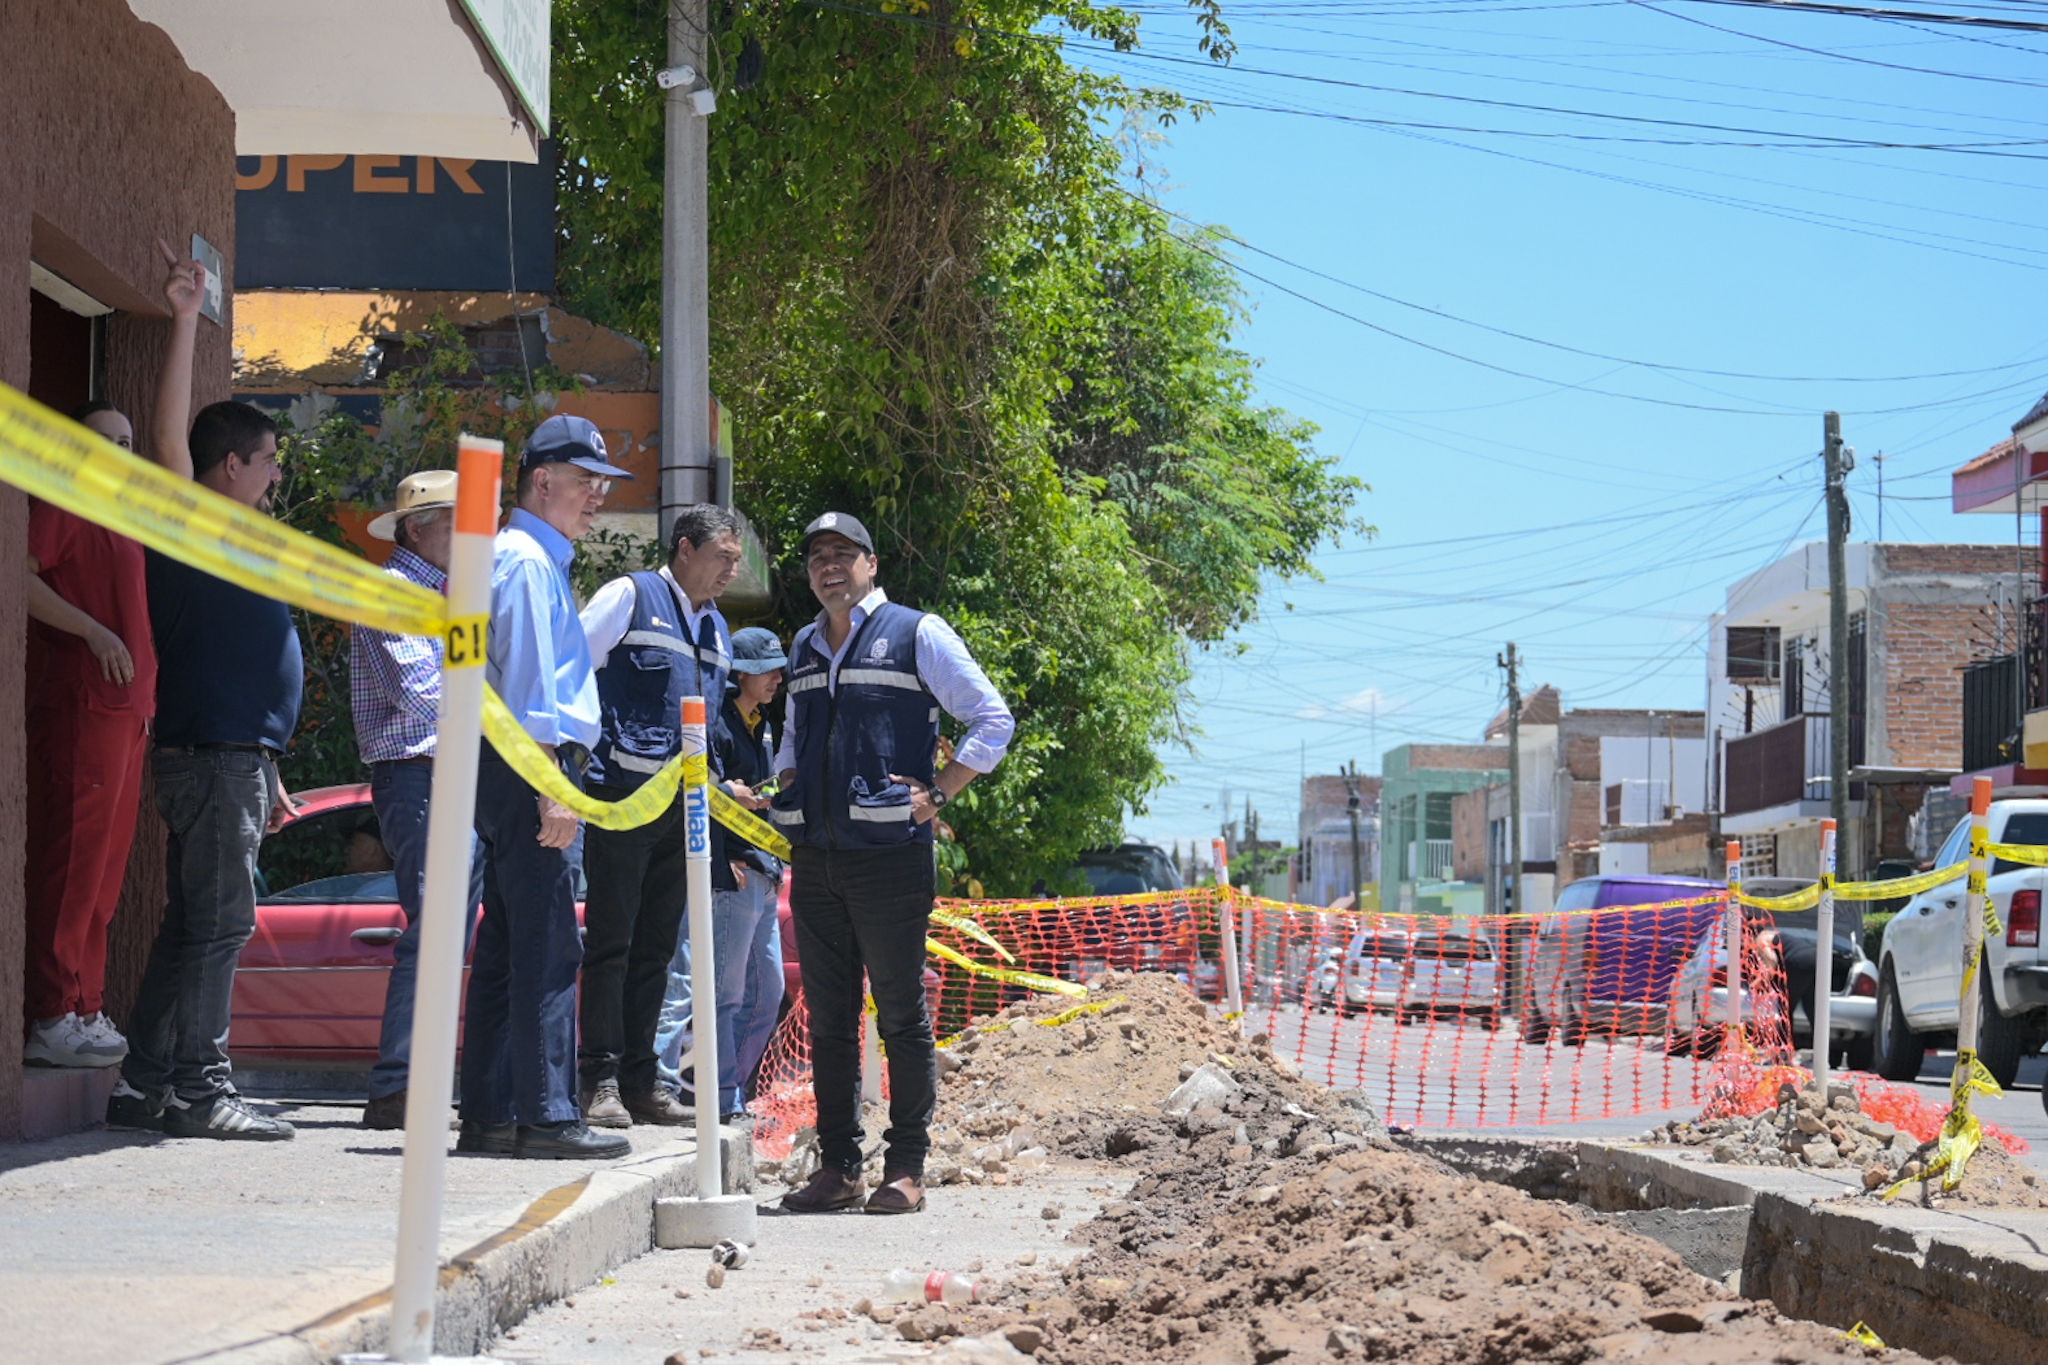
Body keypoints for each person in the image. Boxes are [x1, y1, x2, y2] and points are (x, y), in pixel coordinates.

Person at [107, 244, 304, 1139]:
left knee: (191, 928)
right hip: (213, 759)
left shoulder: (247, 543)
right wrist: (186, 316)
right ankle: (201, 1091)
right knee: (222, 928)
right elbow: (166, 443)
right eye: (267, 461)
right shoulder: (196, 526)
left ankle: (145, 1083)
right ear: (229, 466)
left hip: (235, 756)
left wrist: (270, 764)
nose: (275, 476)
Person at [773, 512, 1014, 1215]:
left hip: (890, 859)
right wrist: (784, 787)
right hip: (816, 858)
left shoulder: (916, 632)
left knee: (902, 1014)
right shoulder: (805, 645)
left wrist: (940, 793)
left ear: (871, 564)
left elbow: (992, 719)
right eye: (818, 555)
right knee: (829, 1019)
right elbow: (793, 738)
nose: (829, 566)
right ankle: (840, 1167)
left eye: (843, 554)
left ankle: (906, 1165)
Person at [459, 414, 634, 1161]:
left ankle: (494, 1113)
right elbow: (532, 686)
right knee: (549, 947)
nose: (597, 496)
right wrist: (552, 786)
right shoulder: (529, 562)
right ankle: (548, 1114)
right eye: (585, 481)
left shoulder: (521, 556)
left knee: (505, 945)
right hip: (532, 765)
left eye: (602, 483)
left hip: (503, 766)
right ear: (542, 480)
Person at [577, 505, 747, 1127]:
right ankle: (597, 1080)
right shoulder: (631, 594)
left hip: (686, 811)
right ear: (684, 549)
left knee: (655, 950)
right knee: (612, 945)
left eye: (735, 558)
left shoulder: (718, 629)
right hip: (622, 800)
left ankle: (641, 1082)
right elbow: (573, 666)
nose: (733, 569)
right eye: (723, 556)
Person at [350, 470, 486, 1130]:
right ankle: (400, 1084)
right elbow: (426, 696)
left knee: (444, 931)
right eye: (457, 521)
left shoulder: (445, 595)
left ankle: (414, 1081)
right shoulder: (393, 591)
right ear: (417, 529)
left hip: (447, 772)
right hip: (421, 772)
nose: (471, 535)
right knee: (435, 930)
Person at [22, 401, 157, 1068]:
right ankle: (52, 1012)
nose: (116, 450)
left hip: (128, 712)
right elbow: (17, 576)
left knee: (105, 875)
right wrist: (91, 629)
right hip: (85, 706)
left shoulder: (122, 515)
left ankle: (85, 1004)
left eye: (126, 442)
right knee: (75, 863)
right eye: (101, 440)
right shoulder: (65, 504)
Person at [713, 627, 789, 1110]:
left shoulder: (760, 724)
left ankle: (731, 1092)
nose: (777, 678)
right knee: (726, 996)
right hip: (734, 874)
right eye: (767, 669)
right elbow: (701, 797)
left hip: (764, 873)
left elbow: (756, 797)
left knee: (769, 994)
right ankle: (720, 1099)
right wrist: (721, 861)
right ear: (740, 672)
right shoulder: (716, 724)